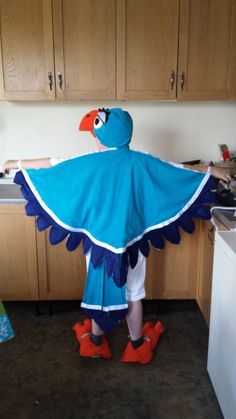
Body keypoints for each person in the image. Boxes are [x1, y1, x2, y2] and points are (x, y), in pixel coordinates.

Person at [3, 107, 231, 364]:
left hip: (97, 246)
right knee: (133, 292)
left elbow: (54, 164)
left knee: (99, 284)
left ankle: (97, 342)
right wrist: (213, 171)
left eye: (96, 134)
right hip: (130, 244)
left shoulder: (88, 161)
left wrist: (15, 164)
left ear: (104, 136)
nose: (95, 139)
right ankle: (135, 345)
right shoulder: (141, 160)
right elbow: (177, 170)